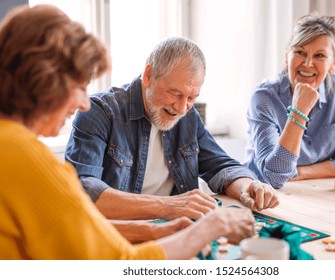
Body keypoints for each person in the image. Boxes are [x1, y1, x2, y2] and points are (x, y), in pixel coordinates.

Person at [0, 4, 256, 260]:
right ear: (43, 80)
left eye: (190, 97)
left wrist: (157, 232)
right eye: (79, 86)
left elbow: (79, 229)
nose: (83, 102)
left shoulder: (10, 143)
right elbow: (123, 262)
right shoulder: (25, 155)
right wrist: (210, 227)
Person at [65, 36, 279, 242]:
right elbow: (84, 191)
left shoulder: (188, 116)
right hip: (121, 238)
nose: (181, 108)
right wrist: (168, 206)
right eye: (175, 94)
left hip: (176, 233)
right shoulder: (99, 111)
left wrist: (247, 187)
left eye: (191, 98)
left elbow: (220, 166)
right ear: (148, 75)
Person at [243, 14, 335, 189]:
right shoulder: (264, 97)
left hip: (310, 190)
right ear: (286, 57)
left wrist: (301, 172)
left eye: (320, 56)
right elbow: (274, 177)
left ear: (332, 64)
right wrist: (299, 110)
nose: (308, 63)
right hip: (261, 195)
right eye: (300, 52)